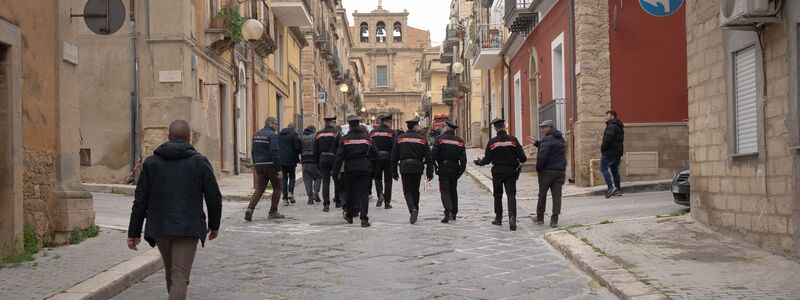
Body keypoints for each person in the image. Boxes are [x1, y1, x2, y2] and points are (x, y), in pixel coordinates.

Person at [128, 120, 222, 300]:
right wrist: (214, 225)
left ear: (168, 137)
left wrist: (134, 232)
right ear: (189, 138)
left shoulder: (152, 163)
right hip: (188, 227)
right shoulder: (200, 162)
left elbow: (140, 200)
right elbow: (214, 197)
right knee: (179, 276)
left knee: (172, 273)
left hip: (161, 227)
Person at [474, 118, 527, 231]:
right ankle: (512, 217)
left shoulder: (492, 142)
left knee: (497, 195)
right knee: (511, 194)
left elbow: (487, 160)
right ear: (505, 127)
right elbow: (523, 158)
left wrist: (479, 162)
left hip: (497, 172)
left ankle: (498, 218)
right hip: (511, 171)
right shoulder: (513, 140)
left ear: (495, 128)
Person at [334, 116, 379, 228]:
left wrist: (335, 171)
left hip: (350, 169)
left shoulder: (345, 139)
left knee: (350, 192)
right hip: (364, 168)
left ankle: (349, 215)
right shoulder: (368, 139)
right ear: (359, 125)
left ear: (349, 125)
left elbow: (339, 157)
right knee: (363, 194)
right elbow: (376, 156)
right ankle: (364, 219)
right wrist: (374, 171)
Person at [392, 117, 432, 224]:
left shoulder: (400, 138)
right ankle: (416, 210)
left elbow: (394, 155)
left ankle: (412, 209)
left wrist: (393, 171)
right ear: (415, 126)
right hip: (417, 166)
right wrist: (430, 171)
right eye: (418, 125)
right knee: (415, 190)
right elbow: (428, 156)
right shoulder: (422, 139)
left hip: (405, 166)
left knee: (407, 191)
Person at [245, 117, 285, 221]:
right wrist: (279, 169)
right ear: (271, 124)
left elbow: (253, 151)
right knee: (277, 187)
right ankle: (273, 212)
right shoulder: (273, 135)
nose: (277, 126)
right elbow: (275, 152)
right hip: (271, 164)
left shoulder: (256, 134)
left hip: (259, 164)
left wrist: (255, 164)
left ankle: (250, 209)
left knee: (260, 188)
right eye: (276, 124)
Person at [428, 120, 467, 223]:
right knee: (453, 190)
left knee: (444, 190)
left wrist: (435, 166)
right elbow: (463, 160)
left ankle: (448, 211)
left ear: (446, 127)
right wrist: (460, 172)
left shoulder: (440, 140)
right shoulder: (460, 141)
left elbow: (433, 155)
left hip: (443, 168)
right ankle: (454, 213)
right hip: (455, 168)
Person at [532, 120, 567, 228]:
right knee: (557, 196)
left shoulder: (547, 139)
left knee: (542, 194)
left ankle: (540, 218)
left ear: (549, 127)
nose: (542, 130)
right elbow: (553, 150)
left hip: (547, 172)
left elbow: (543, 156)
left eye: (543, 128)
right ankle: (554, 220)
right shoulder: (561, 138)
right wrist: (538, 144)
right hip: (560, 171)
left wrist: (538, 169)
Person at [314, 116, 342, 212]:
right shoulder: (337, 133)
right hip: (334, 159)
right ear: (332, 123)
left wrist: (317, 163)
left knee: (325, 182)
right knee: (337, 181)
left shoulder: (318, 134)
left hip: (323, 159)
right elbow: (340, 149)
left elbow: (315, 150)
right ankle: (338, 201)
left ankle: (326, 204)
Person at [370, 114, 396, 209]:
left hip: (376, 158)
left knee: (378, 178)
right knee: (388, 180)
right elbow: (395, 147)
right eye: (390, 122)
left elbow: (370, 146)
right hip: (388, 158)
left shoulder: (373, 132)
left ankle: (380, 193)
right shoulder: (392, 132)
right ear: (386, 122)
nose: (391, 124)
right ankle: (387, 203)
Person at [601, 110, 625, 198]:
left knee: (603, 168)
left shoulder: (611, 126)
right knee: (615, 171)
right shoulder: (619, 126)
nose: (605, 117)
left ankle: (610, 187)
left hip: (609, 152)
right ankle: (617, 190)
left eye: (607, 115)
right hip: (617, 153)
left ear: (612, 116)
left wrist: (603, 148)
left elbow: (608, 139)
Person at [279, 122, 302, 206]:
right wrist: (298, 157)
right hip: (291, 160)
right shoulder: (294, 135)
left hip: (281, 160)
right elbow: (297, 148)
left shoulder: (279, 135)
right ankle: (290, 192)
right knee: (292, 177)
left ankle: (285, 199)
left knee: (284, 179)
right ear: (294, 128)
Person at [300, 125, 322, 205]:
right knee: (318, 177)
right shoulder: (315, 136)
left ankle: (310, 198)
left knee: (307, 180)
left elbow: (299, 148)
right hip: (314, 161)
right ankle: (316, 193)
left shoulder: (301, 137)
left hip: (304, 161)